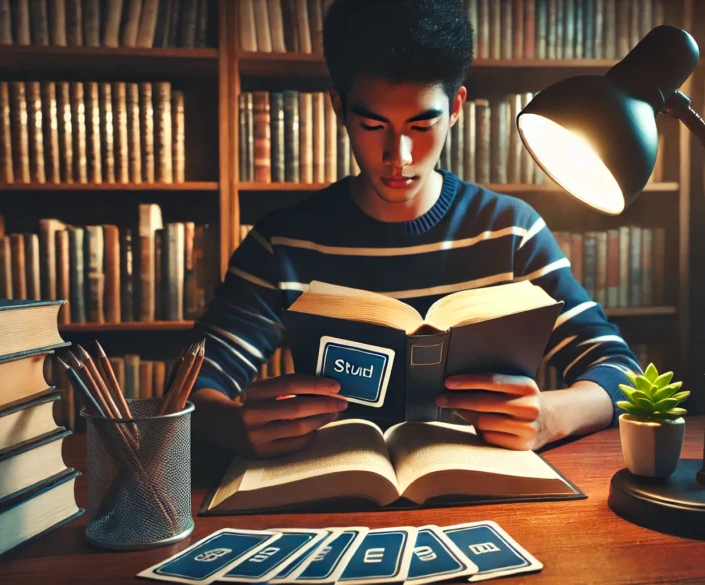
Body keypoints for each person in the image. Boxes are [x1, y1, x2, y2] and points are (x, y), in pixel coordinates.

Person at [191, 0, 642, 459]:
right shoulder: (281, 243)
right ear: (338, 108)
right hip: (341, 497)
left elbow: (620, 373)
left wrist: (549, 416)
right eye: (372, 124)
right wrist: (235, 424)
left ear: (456, 108)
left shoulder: (509, 233)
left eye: (422, 124)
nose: (399, 156)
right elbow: (191, 388)